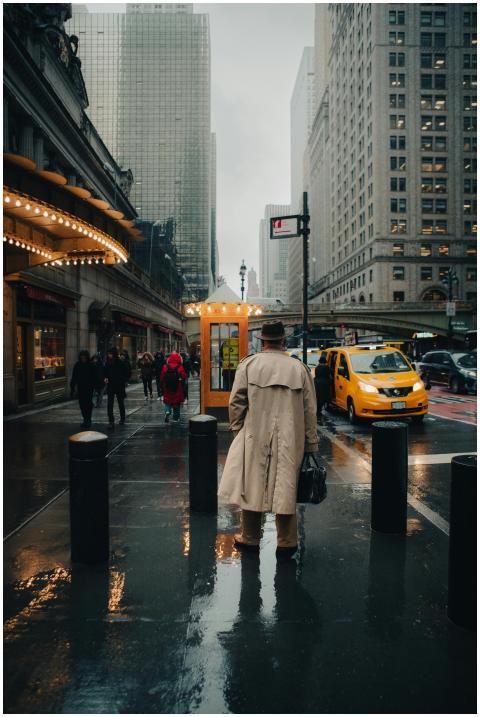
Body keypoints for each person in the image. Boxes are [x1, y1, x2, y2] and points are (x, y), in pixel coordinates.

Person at [218, 320, 318, 557]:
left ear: (262, 341)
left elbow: (236, 402)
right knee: (286, 486)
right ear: (283, 341)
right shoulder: (299, 369)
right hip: (291, 436)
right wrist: (311, 443)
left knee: (252, 484)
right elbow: (309, 410)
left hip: (254, 433)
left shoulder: (249, 365)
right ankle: (287, 541)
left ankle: (251, 537)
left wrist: (238, 429)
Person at [104, 347, 130, 428]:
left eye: (110, 354)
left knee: (120, 403)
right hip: (111, 385)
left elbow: (127, 372)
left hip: (119, 386)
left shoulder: (120, 362)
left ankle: (122, 418)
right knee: (109, 404)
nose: (109, 355)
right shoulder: (108, 363)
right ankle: (111, 421)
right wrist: (105, 378)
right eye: (108, 354)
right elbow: (105, 372)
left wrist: (123, 380)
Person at [70, 350, 95, 429]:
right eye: (82, 357)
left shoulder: (91, 365)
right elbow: (74, 376)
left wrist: (95, 386)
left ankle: (88, 419)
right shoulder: (77, 365)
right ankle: (85, 419)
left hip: (89, 388)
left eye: (84, 357)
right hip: (81, 388)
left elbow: (95, 376)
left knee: (88, 404)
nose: (83, 358)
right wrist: (72, 387)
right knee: (82, 405)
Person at [160, 351, 187, 423]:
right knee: (176, 402)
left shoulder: (165, 367)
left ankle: (167, 411)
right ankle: (176, 418)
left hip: (167, 386)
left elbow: (162, 377)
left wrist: (162, 385)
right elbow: (184, 377)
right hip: (177, 387)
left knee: (167, 401)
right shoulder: (180, 367)